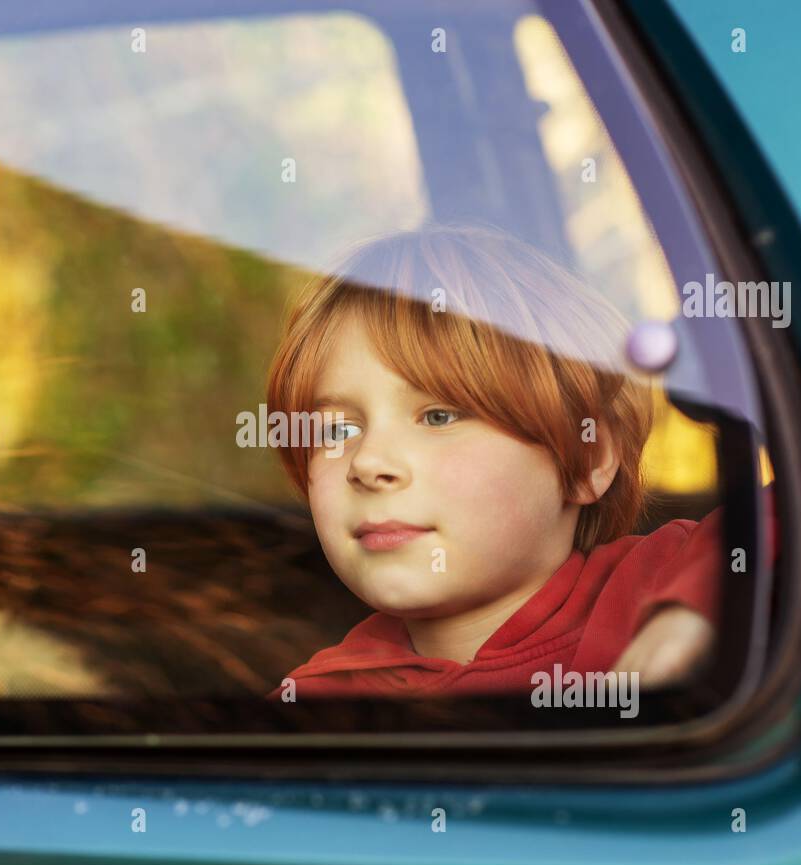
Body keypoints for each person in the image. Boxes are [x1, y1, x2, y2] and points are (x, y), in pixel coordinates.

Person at [264, 224, 719, 699]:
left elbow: (794, 516)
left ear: (588, 459)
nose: (368, 462)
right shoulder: (312, 702)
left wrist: (687, 613)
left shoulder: (660, 581)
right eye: (337, 430)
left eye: (438, 416)